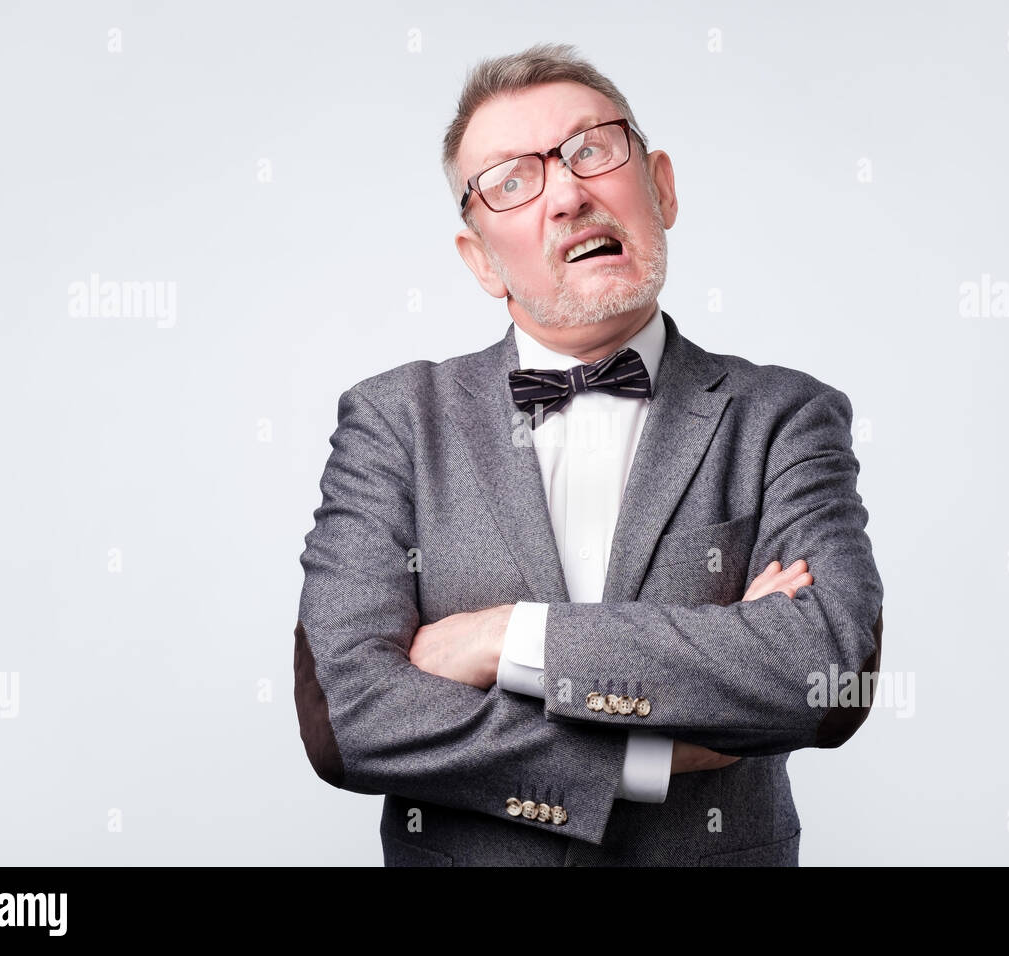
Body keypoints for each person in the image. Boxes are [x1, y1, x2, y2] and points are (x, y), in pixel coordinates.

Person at [294, 42, 883, 867]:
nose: (568, 193)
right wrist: (645, 757)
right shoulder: (393, 423)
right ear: (481, 262)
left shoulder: (786, 415)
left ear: (662, 188)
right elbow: (346, 717)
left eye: (591, 150)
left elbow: (824, 677)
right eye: (512, 180)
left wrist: (505, 639)